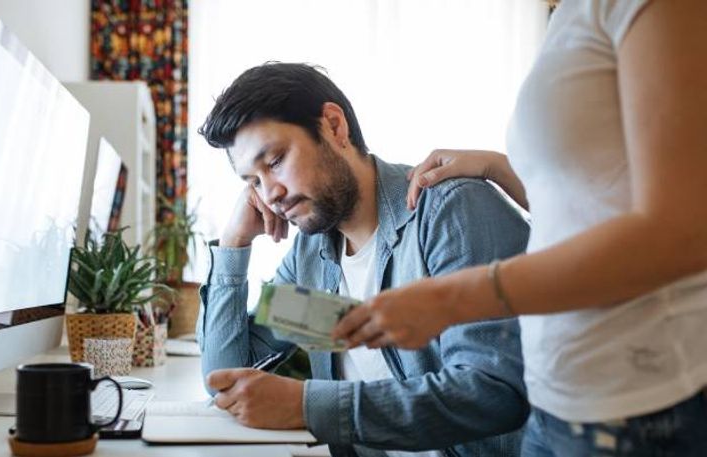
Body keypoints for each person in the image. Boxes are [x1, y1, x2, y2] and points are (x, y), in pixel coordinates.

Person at [334, 1, 707, 455]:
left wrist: (448, 298)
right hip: (556, 398)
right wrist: (499, 166)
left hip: (638, 405)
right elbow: (593, 206)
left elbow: (679, 235)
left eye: (274, 161)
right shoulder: (569, 16)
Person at [196, 62, 531, 457]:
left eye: (274, 162)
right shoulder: (314, 258)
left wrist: (305, 406)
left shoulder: (450, 212)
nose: (269, 194)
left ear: (334, 127)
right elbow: (227, 379)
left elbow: (492, 394)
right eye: (252, 181)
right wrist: (234, 245)